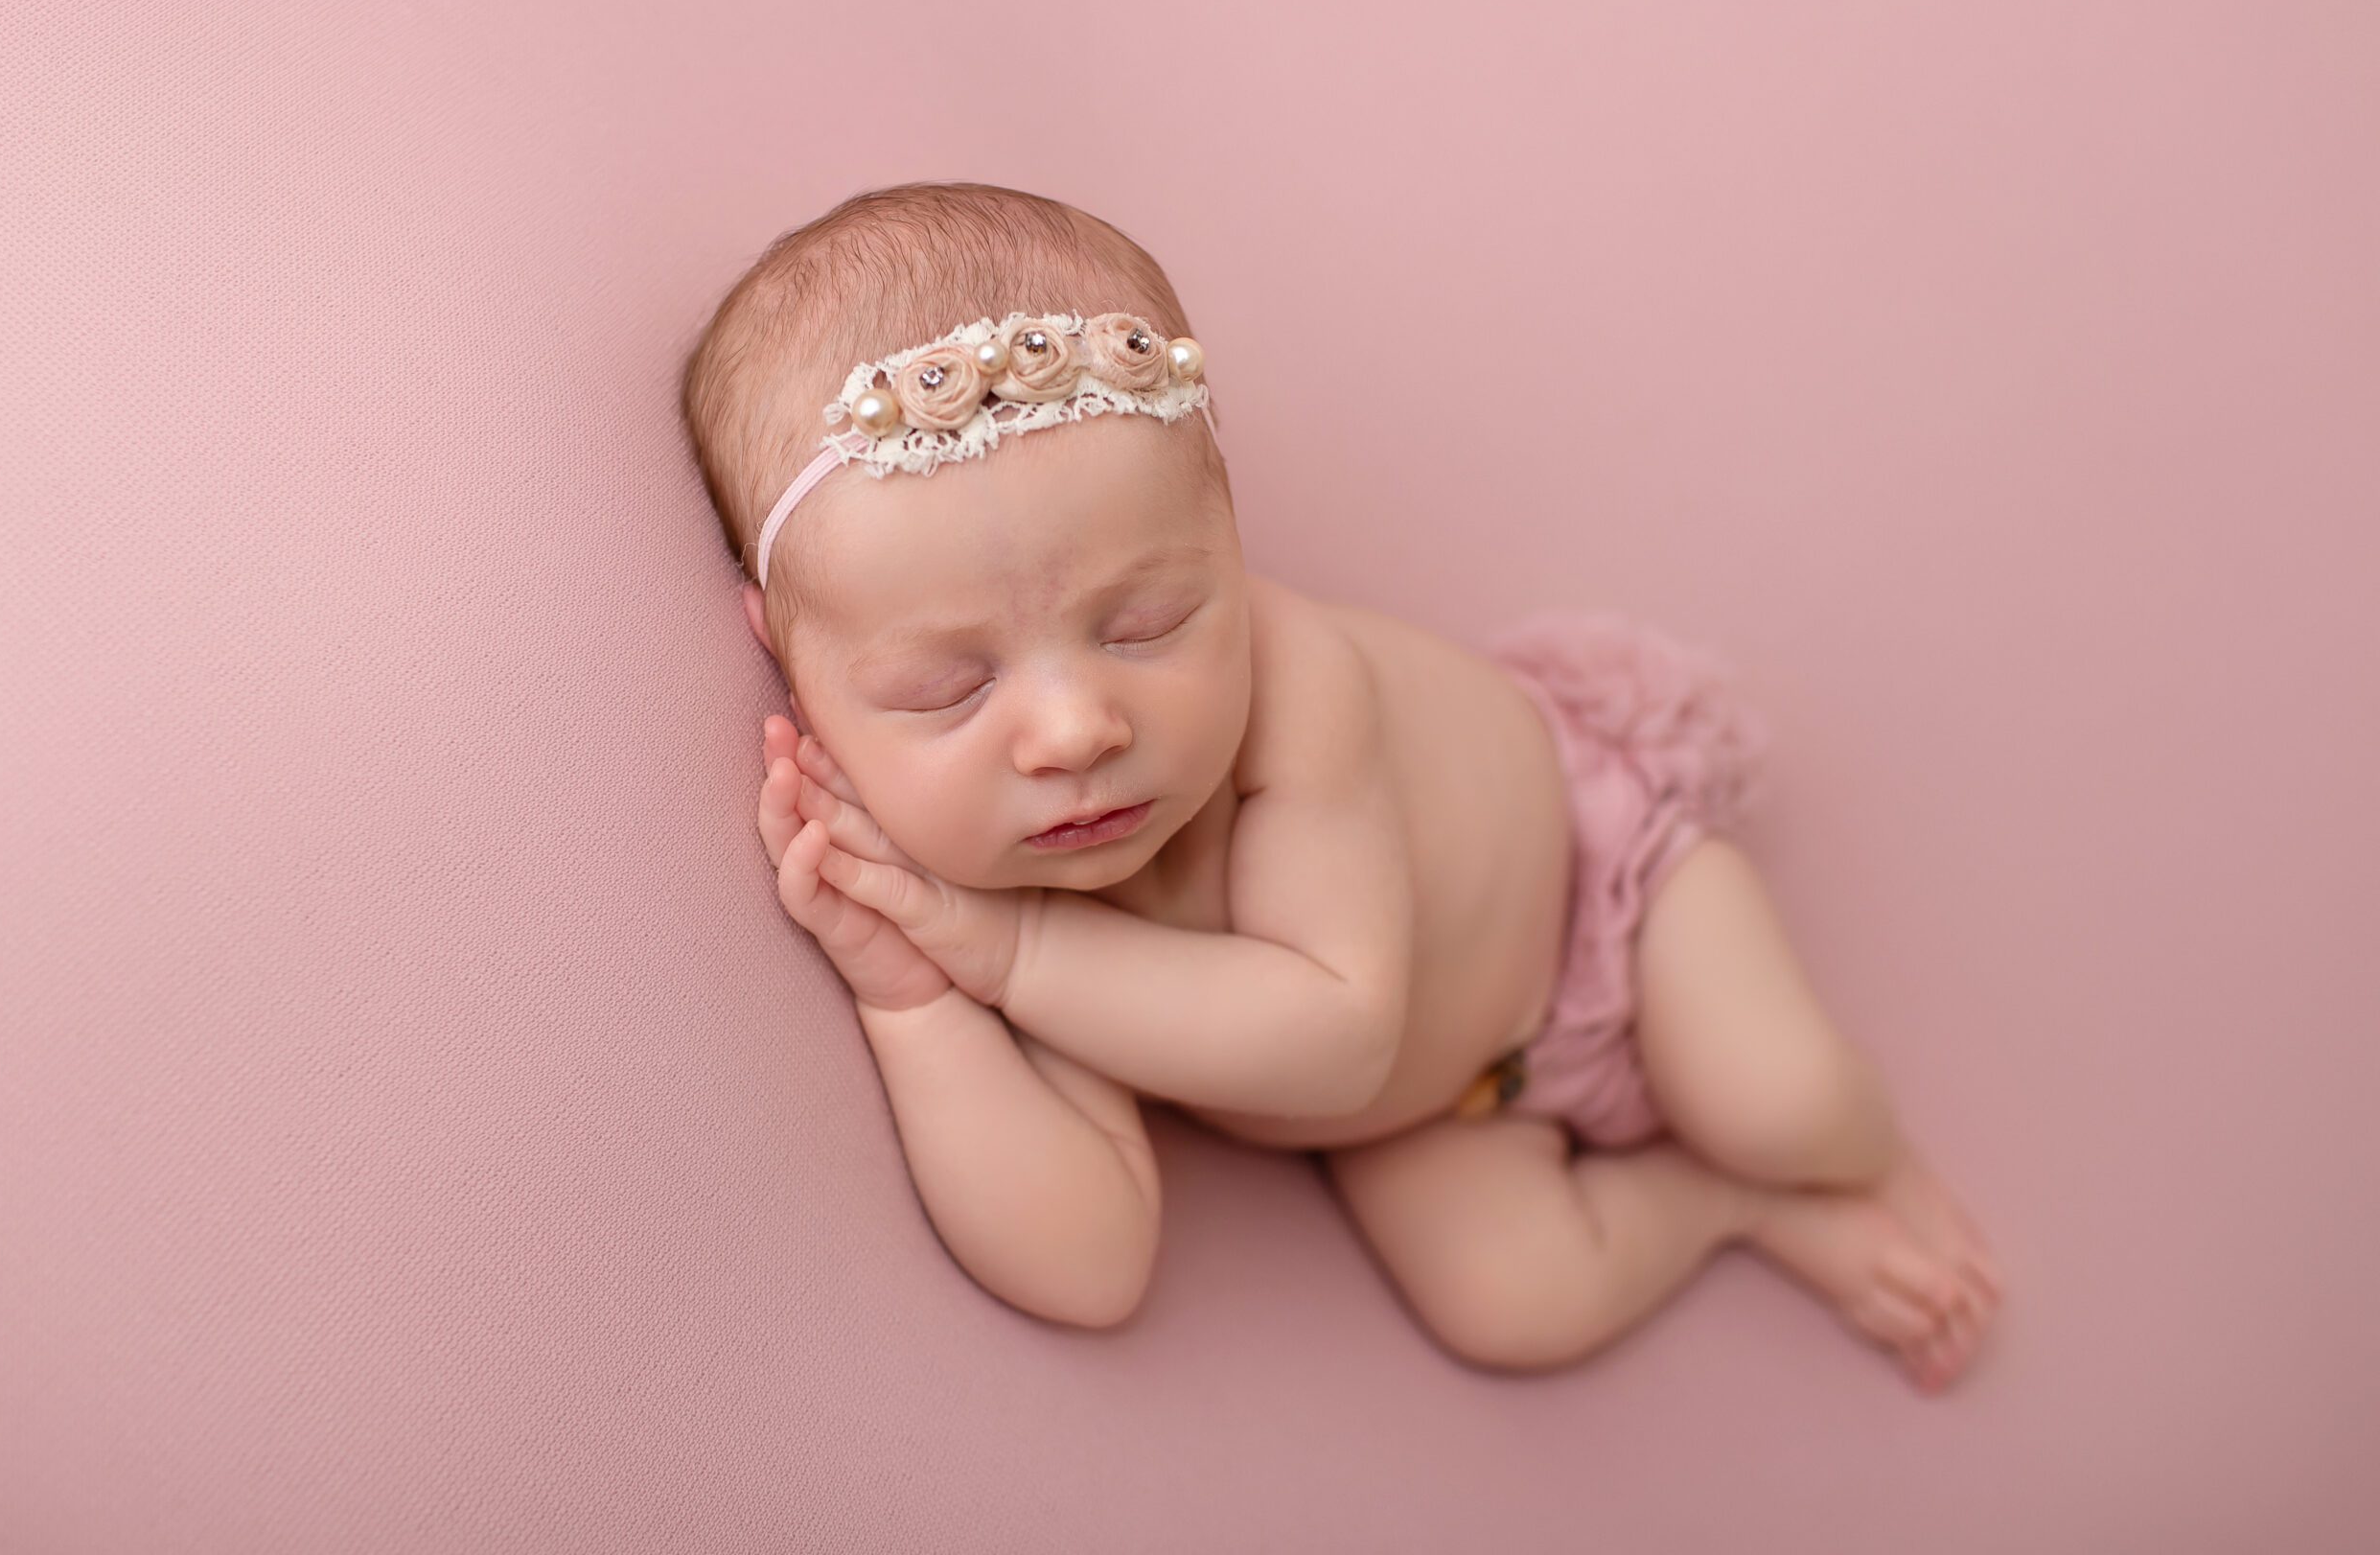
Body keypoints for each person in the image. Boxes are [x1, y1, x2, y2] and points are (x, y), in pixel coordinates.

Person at [678, 180, 2001, 1391]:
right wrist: (918, 1001)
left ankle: (1860, 1163)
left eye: (1147, 623)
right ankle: (1732, 1209)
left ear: (1228, 536)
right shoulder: (977, 867)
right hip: (1436, 1106)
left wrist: (1010, 955)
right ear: (794, 667)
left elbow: (1338, 1031)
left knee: (1780, 1100)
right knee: (1513, 1306)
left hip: (1603, 898)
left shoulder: (1301, 691)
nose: (1078, 728)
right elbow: (1088, 1266)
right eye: (944, 692)